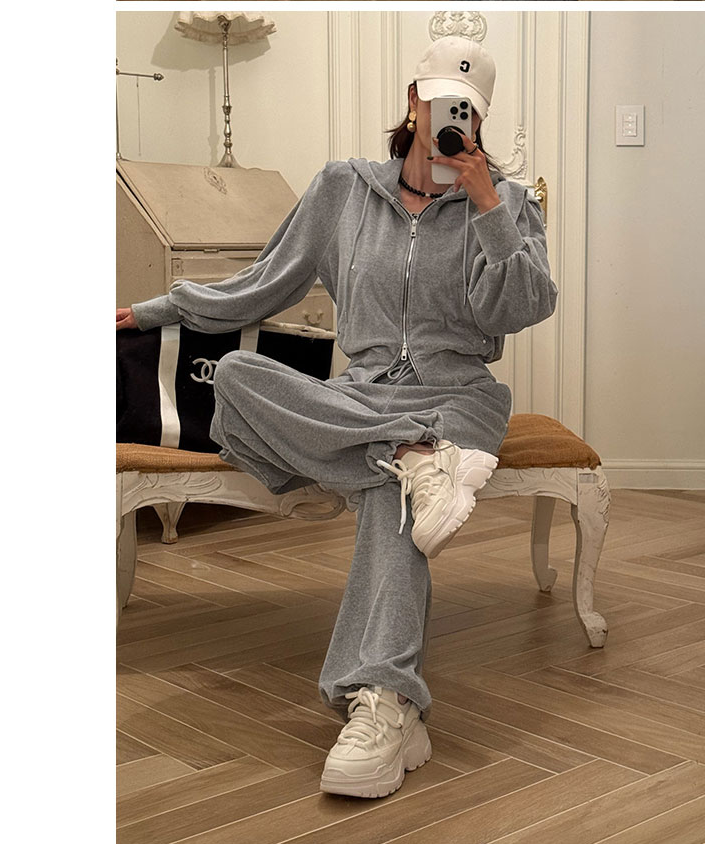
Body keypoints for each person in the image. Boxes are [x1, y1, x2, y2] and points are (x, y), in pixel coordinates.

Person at [116, 36, 557, 799]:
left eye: (467, 110)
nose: (450, 120)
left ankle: (383, 702)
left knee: (389, 496)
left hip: (456, 399)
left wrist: (488, 205)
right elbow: (262, 284)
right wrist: (158, 310)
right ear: (412, 100)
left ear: (480, 118)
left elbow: (520, 308)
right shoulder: (342, 189)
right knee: (239, 378)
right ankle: (411, 457)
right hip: (362, 398)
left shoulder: (512, 205)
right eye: (438, 102)